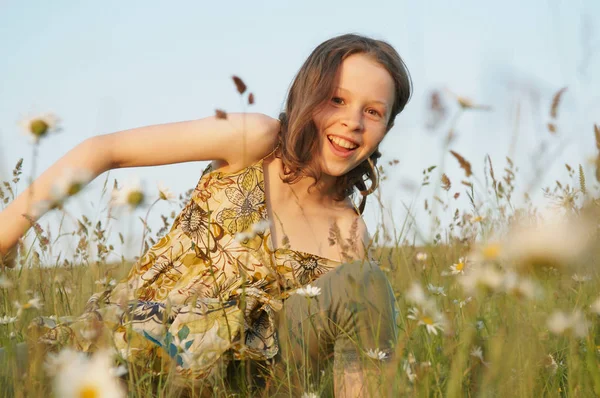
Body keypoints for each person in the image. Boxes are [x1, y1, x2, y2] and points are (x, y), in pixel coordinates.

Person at [0, 33, 412, 397]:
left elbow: (323, 358)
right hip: (132, 349)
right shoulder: (257, 139)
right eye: (336, 99)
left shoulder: (350, 232)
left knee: (364, 282)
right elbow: (104, 151)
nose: (353, 122)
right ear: (307, 95)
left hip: (238, 385)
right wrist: (6, 235)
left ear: (385, 128)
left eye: (373, 112)